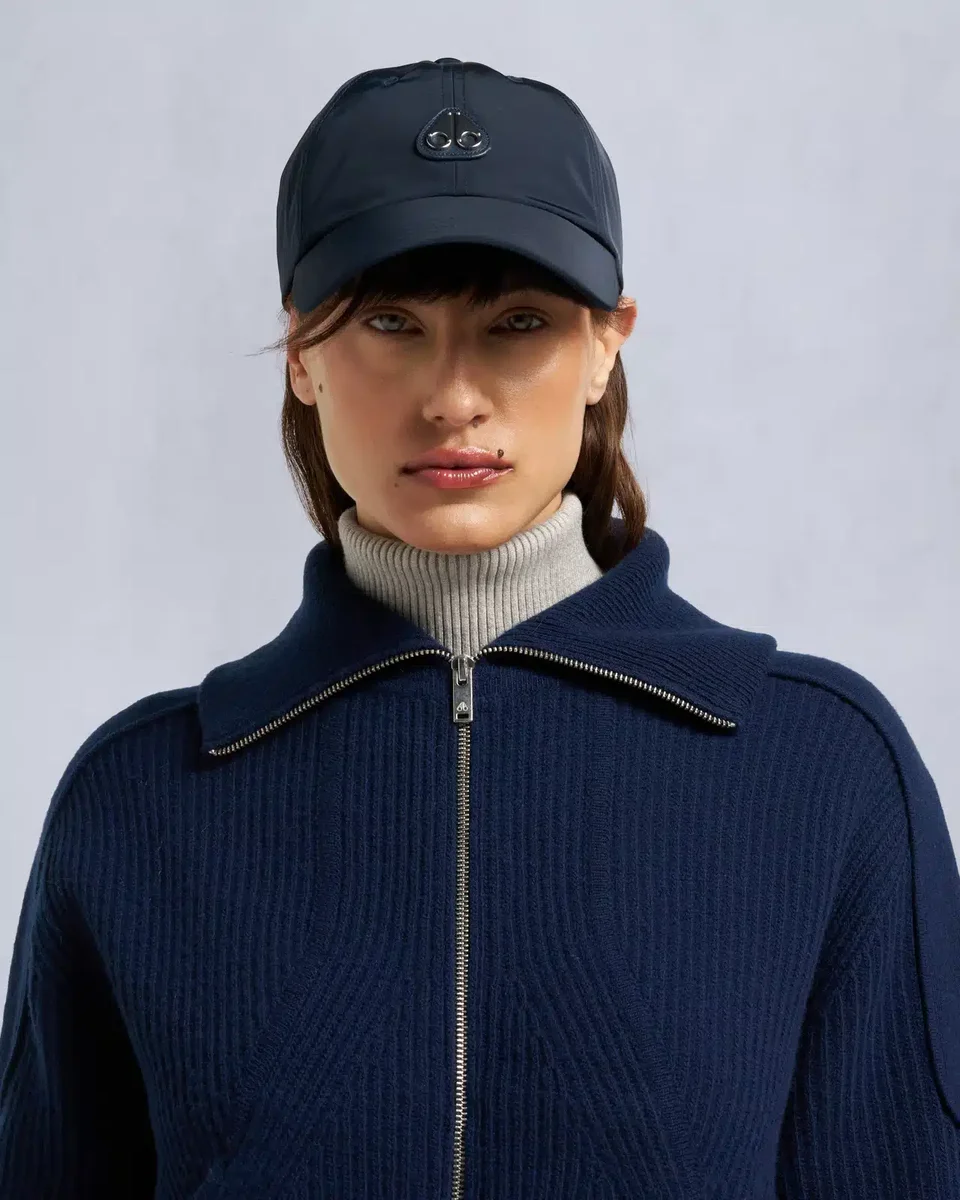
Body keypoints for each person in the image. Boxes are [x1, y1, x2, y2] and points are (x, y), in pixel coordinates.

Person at [1, 55, 958, 1200]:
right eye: (391, 321)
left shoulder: (825, 771)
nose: (453, 397)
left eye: (517, 322)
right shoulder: (137, 800)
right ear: (301, 352)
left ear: (608, 342)